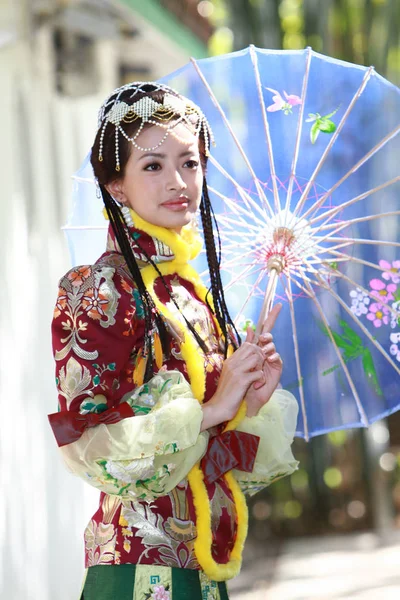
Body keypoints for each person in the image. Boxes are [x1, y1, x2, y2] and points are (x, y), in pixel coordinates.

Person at [48, 82, 299, 600]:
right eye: (154, 165)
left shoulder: (194, 296)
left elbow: (217, 454)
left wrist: (250, 400)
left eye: (189, 162)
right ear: (117, 185)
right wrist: (212, 407)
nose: (178, 181)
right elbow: (90, 446)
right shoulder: (99, 289)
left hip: (205, 567)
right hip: (140, 569)